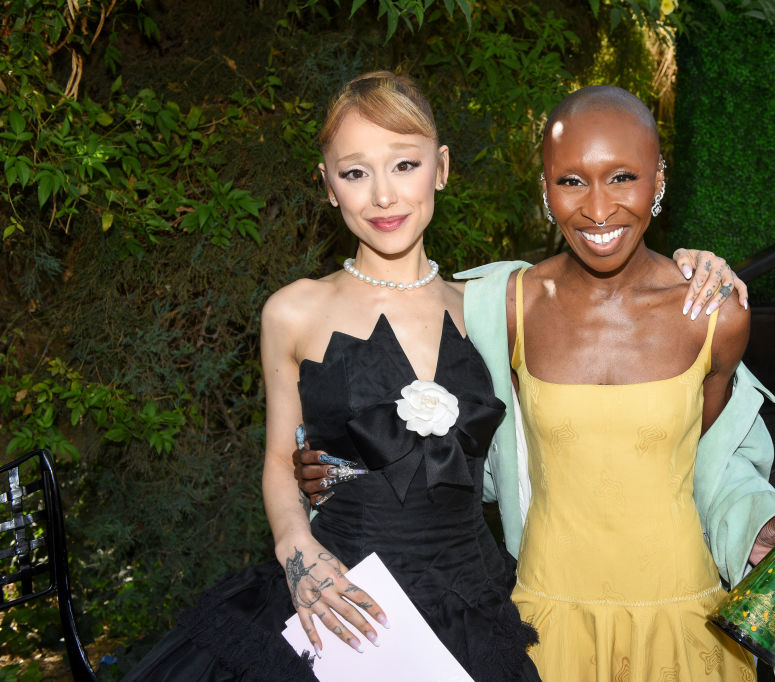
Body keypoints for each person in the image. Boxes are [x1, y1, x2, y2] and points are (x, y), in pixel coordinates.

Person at [126, 72, 741, 681]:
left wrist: (695, 261)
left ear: (440, 168)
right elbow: (278, 461)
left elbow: (630, 348)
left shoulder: (488, 305)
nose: (383, 197)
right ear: (328, 186)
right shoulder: (293, 311)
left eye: (403, 165)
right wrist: (299, 554)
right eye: (354, 172)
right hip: (343, 601)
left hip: (470, 605)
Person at [503, 85, 775, 680]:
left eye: (622, 177)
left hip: (681, 623)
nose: (597, 208)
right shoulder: (506, 307)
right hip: (547, 622)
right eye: (571, 181)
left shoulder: (716, 315)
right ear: (544, 187)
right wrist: (339, 470)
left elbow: (708, 463)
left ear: (658, 178)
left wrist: (761, 524)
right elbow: (463, 451)